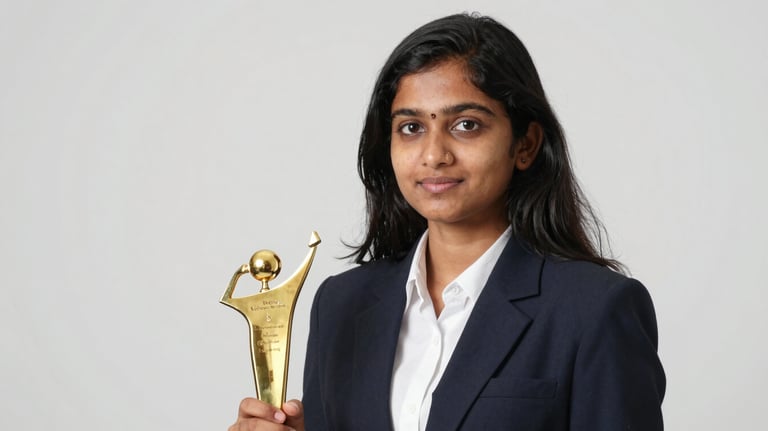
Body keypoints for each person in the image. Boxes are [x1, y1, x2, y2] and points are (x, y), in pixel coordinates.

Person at [229, 13, 665, 431]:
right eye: (411, 128)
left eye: (466, 125)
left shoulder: (594, 310)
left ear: (525, 145)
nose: (434, 155)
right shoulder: (342, 304)